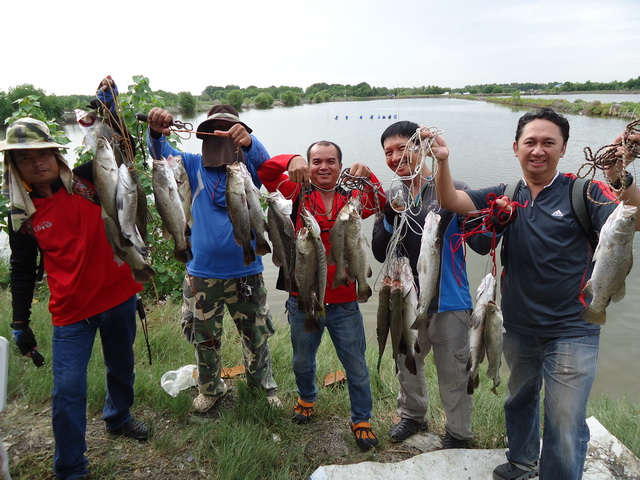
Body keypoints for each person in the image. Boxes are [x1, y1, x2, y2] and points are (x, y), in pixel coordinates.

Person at [431, 107, 640, 480]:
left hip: (574, 327)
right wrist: (442, 161)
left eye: (548, 142)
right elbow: (450, 200)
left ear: (563, 148)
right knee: (519, 400)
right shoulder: (504, 193)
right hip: (518, 325)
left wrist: (619, 176)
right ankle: (523, 461)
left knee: (564, 418)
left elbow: (632, 218)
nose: (538, 150)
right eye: (530, 142)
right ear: (516, 147)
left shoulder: (586, 191)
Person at [4, 78, 148, 480]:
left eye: (42, 152)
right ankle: (70, 468)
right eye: (24, 158)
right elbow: (20, 271)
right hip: (71, 314)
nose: (36, 162)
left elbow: (122, 150)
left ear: (55, 152)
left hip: (119, 296)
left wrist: (109, 109)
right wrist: (19, 323)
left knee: (122, 368)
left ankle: (118, 417)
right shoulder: (24, 217)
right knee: (67, 392)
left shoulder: (89, 181)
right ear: (15, 167)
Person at [145, 106, 281, 413]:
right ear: (204, 135)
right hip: (202, 274)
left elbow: (271, 168)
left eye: (230, 130)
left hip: (247, 272)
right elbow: (159, 154)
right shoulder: (191, 165)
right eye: (215, 130)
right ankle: (211, 387)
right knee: (204, 338)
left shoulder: (247, 171)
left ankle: (263, 386)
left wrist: (249, 143)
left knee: (257, 334)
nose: (223, 138)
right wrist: (155, 130)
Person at [257, 141, 385, 450]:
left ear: (340, 166)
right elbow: (265, 170)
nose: (323, 167)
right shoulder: (293, 192)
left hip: (345, 302)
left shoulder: (352, 198)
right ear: (309, 166)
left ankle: (361, 417)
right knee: (302, 360)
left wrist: (369, 174)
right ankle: (306, 397)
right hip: (303, 299)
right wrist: (293, 159)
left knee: (355, 364)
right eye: (316, 161)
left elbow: (382, 202)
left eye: (330, 161)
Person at [371, 121, 491, 448]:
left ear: (420, 147)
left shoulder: (453, 190)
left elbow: (481, 243)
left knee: (454, 375)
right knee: (406, 366)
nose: (396, 157)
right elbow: (380, 252)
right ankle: (412, 415)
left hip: (450, 304)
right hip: (403, 302)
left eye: (402, 147)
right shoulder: (393, 195)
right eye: (388, 152)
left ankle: (458, 433)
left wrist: (494, 218)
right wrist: (386, 213)